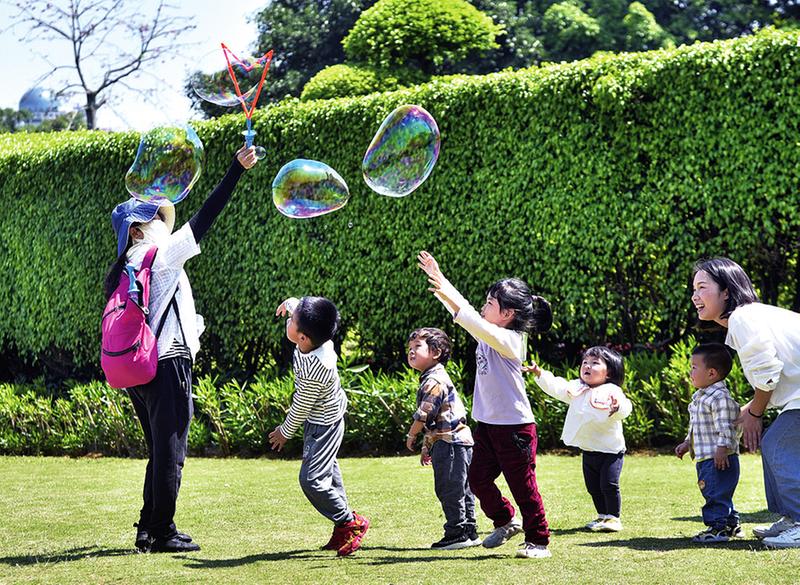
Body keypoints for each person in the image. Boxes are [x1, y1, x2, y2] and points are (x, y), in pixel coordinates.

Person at [106, 145, 258, 553]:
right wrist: (235, 171)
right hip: (167, 362)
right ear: (137, 230)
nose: (163, 222)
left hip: (139, 367)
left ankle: (147, 527)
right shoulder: (158, 257)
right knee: (171, 452)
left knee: (159, 450)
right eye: (155, 218)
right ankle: (162, 532)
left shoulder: (125, 268)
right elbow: (205, 217)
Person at [417, 250, 553, 559]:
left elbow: (469, 318)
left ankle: (539, 540)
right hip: (489, 426)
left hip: (515, 429)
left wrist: (443, 283)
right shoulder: (491, 334)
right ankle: (506, 521)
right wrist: (440, 285)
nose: (484, 305)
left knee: (524, 487)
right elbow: (466, 315)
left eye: (490, 303)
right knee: (476, 478)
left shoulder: (510, 340)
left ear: (507, 314)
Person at [692, 257, 800, 548]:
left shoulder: (743, 318)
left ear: (726, 291)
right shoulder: (748, 318)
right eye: (693, 289)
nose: (695, 296)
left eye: (702, 287)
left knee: (776, 443)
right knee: (775, 444)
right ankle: (792, 518)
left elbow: (767, 374)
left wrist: (755, 412)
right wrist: (748, 410)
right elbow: (772, 373)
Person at [269, 296, 369, 556]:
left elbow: (301, 406)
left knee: (311, 479)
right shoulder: (315, 337)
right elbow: (302, 309)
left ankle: (351, 522)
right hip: (323, 418)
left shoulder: (317, 367)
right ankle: (342, 528)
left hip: (323, 425)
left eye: (292, 320)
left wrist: (284, 431)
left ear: (302, 338)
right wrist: (291, 304)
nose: (289, 320)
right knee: (327, 475)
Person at [526, 346, 631, 532]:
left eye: (595, 363)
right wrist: (540, 374)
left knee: (609, 484)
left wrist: (618, 407)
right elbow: (557, 387)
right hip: (589, 449)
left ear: (609, 372)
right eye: (585, 362)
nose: (587, 366)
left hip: (611, 451)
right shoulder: (577, 388)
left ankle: (613, 517)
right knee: (593, 486)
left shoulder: (612, 390)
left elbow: (625, 407)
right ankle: (602, 516)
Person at [405, 327, 480, 550]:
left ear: (436, 352)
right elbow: (437, 420)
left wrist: (412, 434)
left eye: (417, 347)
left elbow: (424, 414)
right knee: (462, 488)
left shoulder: (433, 381)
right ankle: (469, 531)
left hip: (450, 443)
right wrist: (427, 445)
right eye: (409, 348)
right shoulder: (435, 377)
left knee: (449, 488)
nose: (411, 352)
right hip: (456, 441)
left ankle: (457, 532)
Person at [674, 343, 742, 542]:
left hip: (718, 457)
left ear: (711, 373)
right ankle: (730, 524)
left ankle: (717, 529)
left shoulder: (720, 398)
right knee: (718, 492)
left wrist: (722, 449)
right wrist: (688, 443)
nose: (690, 371)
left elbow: (726, 426)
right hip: (706, 455)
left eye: (694, 367)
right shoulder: (701, 396)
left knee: (714, 493)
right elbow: (699, 425)